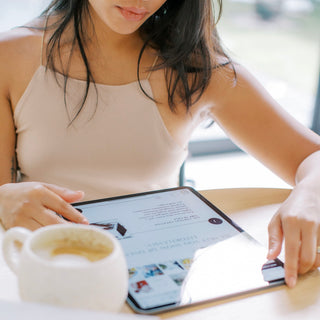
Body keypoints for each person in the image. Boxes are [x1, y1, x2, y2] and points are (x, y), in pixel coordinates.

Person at [0, 0, 319, 289]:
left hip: (154, 286)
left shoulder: (198, 70)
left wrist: (309, 197)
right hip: (42, 277)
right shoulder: (11, 56)